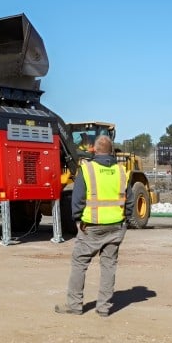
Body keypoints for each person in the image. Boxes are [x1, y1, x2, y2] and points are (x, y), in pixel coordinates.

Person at [55, 135, 134, 317]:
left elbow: (78, 198)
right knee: (108, 266)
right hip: (116, 226)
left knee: (79, 263)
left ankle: (75, 305)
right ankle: (104, 308)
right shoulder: (122, 171)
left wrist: (76, 219)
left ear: (95, 150)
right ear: (111, 151)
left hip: (91, 226)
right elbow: (129, 200)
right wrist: (126, 221)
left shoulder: (87, 169)